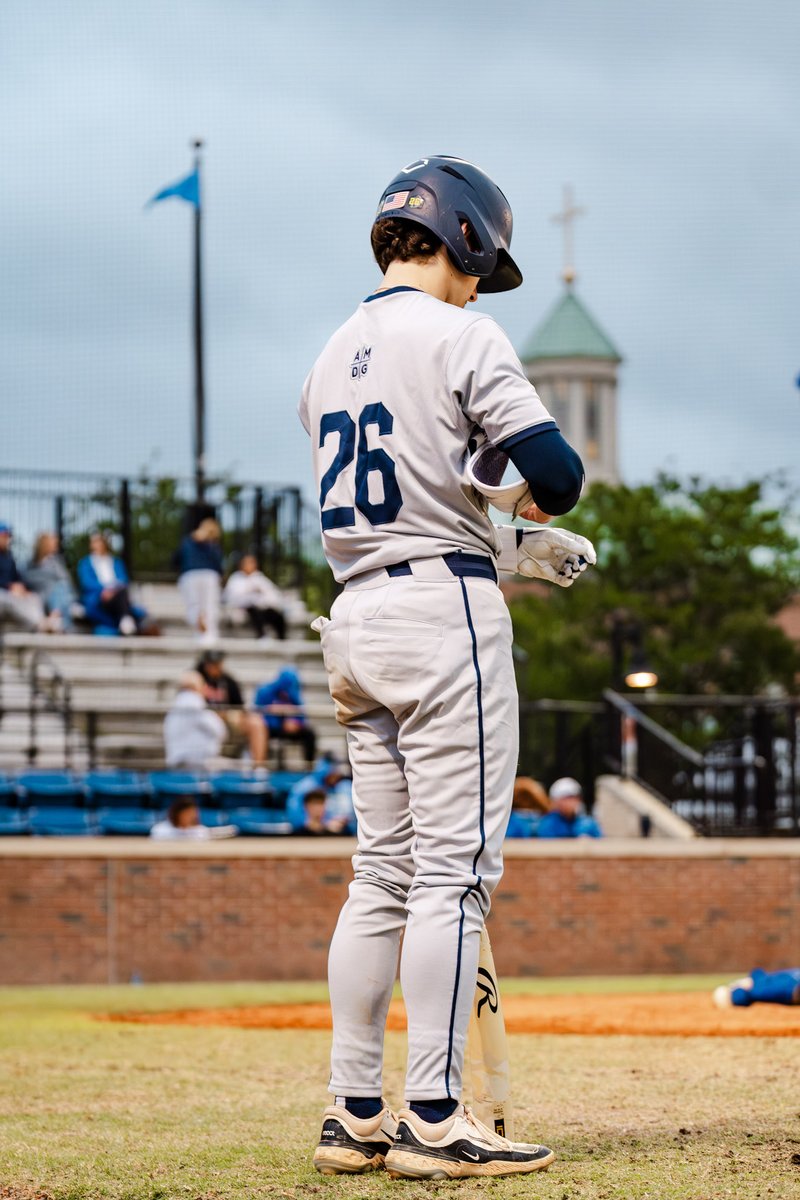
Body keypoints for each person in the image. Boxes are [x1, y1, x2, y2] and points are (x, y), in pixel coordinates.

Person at [299, 156, 596, 1179]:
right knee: (452, 876)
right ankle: (433, 1112)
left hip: (354, 614)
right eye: (481, 260)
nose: (482, 282)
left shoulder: (330, 349)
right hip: (440, 619)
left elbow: (404, 502)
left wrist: (502, 540)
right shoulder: (463, 332)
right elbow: (558, 472)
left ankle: (352, 1112)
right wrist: (524, 522)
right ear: (462, 235)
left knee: (378, 872)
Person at [196, 649, 269, 768]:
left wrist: (230, 715)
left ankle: (259, 768)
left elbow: (240, 706)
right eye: (212, 663)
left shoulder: (228, 681)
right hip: (203, 719)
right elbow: (190, 704)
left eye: (218, 663)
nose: (216, 666)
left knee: (256, 722)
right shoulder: (196, 679)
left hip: (229, 719)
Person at [77, 531, 149, 636]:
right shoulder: (85, 563)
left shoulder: (116, 562)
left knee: (121, 593)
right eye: (93, 542)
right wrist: (104, 589)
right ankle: (126, 620)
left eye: (97, 542)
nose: (94, 545)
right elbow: (87, 583)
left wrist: (112, 590)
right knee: (123, 599)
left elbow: (123, 580)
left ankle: (125, 620)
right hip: (99, 597)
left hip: (117, 594)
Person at [163, 671, 228, 771]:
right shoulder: (195, 704)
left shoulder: (173, 709)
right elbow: (220, 730)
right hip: (199, 765)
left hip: (175, 764)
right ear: (197, 687)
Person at [254, 666, 316, 766]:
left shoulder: (294, 693)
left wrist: (296, 722)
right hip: (270, 726)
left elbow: (301, 714)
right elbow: (257, 712)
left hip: (288, 728)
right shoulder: (265, 691)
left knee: (309, 733)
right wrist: (273, 715)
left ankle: (309, 766)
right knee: (260, 731)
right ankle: (261, 765)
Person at [176, 518, 224, 644]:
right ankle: (210, 634)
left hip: (189, 574)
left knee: (194, 606)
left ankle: (199, 630)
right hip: (209, 575)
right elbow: (218, 563)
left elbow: (176, 558)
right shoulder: (213, 545)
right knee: (210, 606)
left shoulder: (187, 542)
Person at [25, 532, 80, 632]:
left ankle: (55, 617)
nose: (56, 545)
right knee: (60, 589)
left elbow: (65, 580)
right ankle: (65, 627)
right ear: (44, 544)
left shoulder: (56, 561)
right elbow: (28, 579)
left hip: (57, 595)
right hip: (42, 594)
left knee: (61, 588)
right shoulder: (30, 563)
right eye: (53, 543)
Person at [223, 553, 287, 640]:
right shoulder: (236, 578)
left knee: (277, 616)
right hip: (244, 608)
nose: (251, 565)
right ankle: (262, 637)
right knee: (255, 612)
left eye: (253, 563)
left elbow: (272, 592)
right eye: (249, 563)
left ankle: (282, 640)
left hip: (262, 607)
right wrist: (250, 590)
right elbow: (231, 596)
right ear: (242, 565)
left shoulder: (259, 577)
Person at [0, 523, 46, 631]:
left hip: (11, 593)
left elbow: (17, 577)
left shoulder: (8, 557)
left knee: (34, 597)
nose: (7, 539)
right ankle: (38, 624)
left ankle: (40, 623)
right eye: (4, 536)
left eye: (8, 536)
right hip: (3, 593)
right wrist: (9, 586)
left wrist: (22, 588)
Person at [537, 777, 602, 839]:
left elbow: (601, 844)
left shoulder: (589, 824)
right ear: (556, 801)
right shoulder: (547, 824)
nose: (571, 802)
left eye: (574, 797)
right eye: (566, 798)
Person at [150, 795, 237, 840]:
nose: (191, 817)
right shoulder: (160, 830)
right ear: (177, 813)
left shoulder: (200, 831)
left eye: (193, 814)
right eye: (187, 814)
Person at [713, 967, 800, 1008]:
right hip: (793, 989)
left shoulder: (758, 983)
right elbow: (740, 998)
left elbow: (758, 972)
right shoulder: (755, 990)